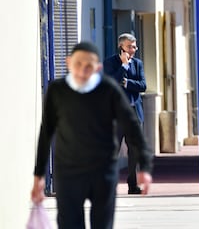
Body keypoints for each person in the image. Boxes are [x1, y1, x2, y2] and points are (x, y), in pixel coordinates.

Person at [31, 42, 153, 229]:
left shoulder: (109, 90)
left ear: (98, 68)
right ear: (69, 62)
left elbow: (132, 127)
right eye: (78, 64)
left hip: (102, 171)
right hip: (69, 171)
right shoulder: (57, 91)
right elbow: (46, 131)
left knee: (102, 225)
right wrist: (38, 175)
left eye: (89, 65)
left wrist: (144, 166)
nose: (83, 70)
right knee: (69, 224)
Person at [104, 33, 147, 194]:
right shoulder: (110, 63)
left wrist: (128, 83)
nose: (134, 49)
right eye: (130, 46)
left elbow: (143, 85)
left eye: (135, 46)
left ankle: (132, 184)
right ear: (121, 47)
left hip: (134, 113)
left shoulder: (138, 64)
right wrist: (123, 67)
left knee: (134, 150)